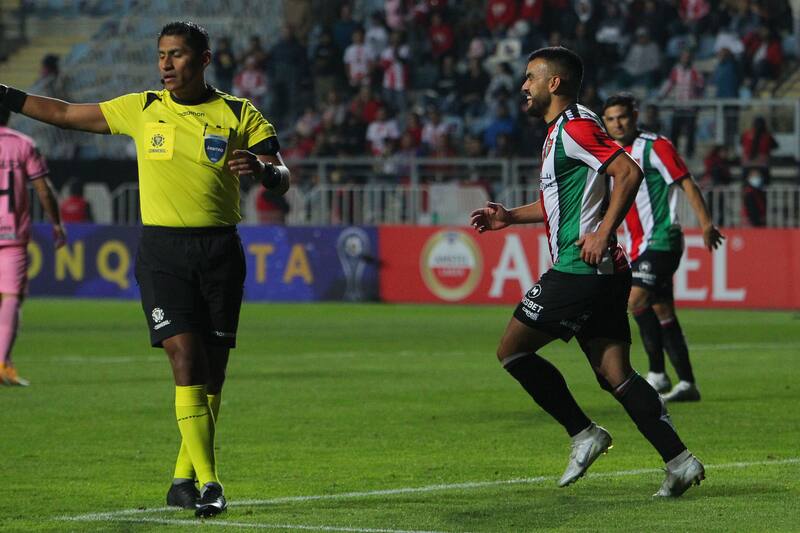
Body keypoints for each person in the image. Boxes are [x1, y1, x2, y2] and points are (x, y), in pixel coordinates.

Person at [0, 21, 291, 517]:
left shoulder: (240, 113)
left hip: (220, 251)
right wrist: (6, 94)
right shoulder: (143, 107)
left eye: (177, 54)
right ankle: (211, 484)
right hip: (162, 253)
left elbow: (282, 175)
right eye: (161, 54)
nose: (166, 64)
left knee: (213, 373)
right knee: (185, 358)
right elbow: (66, 113)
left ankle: (181, 480)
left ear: (203, 60)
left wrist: (264, 171)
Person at [470, 47, 704, 497]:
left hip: (581, 267)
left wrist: (602, 232)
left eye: (531, 77)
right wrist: (510, 217)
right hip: (603, 271)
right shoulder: (565, 129)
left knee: (512, 351)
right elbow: (560, 202)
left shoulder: (574, 127)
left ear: (554, 83)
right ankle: (680, 462)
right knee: (614, 372)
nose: (524, 86)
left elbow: (628, 172)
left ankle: (584, 433)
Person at [602, 93, 724, 403]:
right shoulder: (610, 152)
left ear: (635, 116)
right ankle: (686, 383)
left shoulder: (655, 146)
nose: (618, 124)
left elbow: (687, 183)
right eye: (611, 119)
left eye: (623, 117)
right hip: (636, 245)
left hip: (662, 239)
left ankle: (657, 374)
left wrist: (706, 224)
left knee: (635, 299)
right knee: (662, 310)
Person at [0, 104, 66, 386]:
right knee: (11, 297)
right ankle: (2, 363)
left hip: (13, 237)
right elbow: (43, 190)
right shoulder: (23, 144)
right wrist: (56, 223)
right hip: (11, 234)